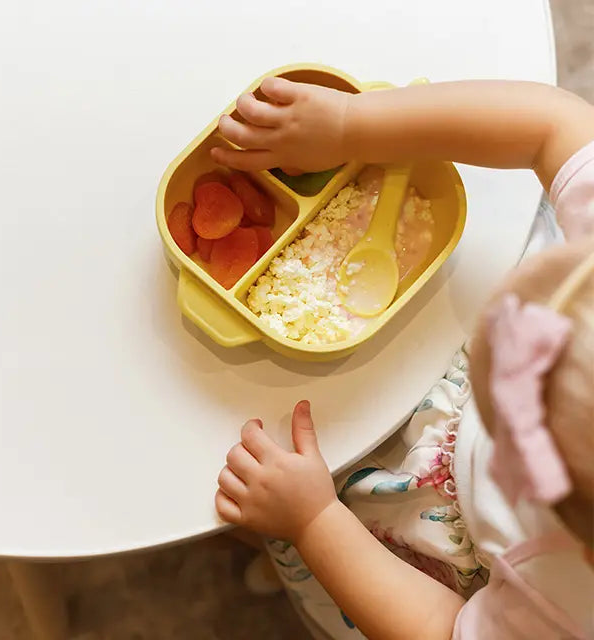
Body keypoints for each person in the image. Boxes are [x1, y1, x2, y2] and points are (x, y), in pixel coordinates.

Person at [212, 77, 594, 639]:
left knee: (255, 504)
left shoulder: (563, 608)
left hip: (440, 524)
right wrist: (352, 124)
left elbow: (443, 630)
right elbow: (553, 125)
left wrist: (315, 522)